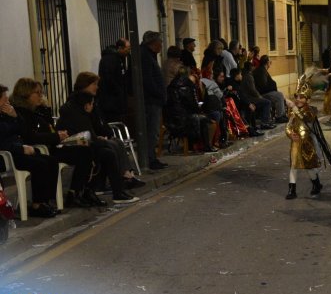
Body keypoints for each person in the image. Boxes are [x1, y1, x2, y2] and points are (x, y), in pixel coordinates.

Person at [10, 77, 100, 208]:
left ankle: (78, 191)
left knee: (89, 148)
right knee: (82, 153)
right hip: (42, 148)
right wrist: (56, 137)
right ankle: (60, 197)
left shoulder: (36, 111)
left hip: (52, 145)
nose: (41, 96)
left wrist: (45, 108)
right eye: (38, 93)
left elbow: (49, 127)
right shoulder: (22, 113)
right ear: (26, 94)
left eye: (41, 93)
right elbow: (31, 136)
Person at [57, 90, 139, 204]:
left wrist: (98, 140)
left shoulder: (77, 113)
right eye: (92, 104)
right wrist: (102, 141)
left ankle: (96, 190)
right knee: (107, 153)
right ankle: (114, 192)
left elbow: (89, 135)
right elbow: (87, 136)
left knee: (106, 151)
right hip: (73, 149)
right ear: (86, 105)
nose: (93, 107)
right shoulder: (79, 116)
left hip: (81, 146)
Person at [0, 84, 59, 217]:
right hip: (8, 156)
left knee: (51, 160)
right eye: (4, 98)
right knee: (40, 164)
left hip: (18, 151)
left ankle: (46, 200)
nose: (7, 101)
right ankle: (37, 205)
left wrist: (15, 116)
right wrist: (20, 148)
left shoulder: (7, 114)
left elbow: (23, 131)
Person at [285, 71, 331, 200]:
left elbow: (306, 119)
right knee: (293, 166)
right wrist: (290, 134)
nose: (298, 100)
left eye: (302, 97)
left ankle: (316, 184)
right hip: (295, 144)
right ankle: (292, 189)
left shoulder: (311, 110)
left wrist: (295, 109)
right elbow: (288, 125)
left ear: (308, 99)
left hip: (308, 144)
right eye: (297, 97)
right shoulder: (292, 111)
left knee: (309, 169)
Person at [165, 66, 217, 152]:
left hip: (171, 119)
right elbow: (193, 105)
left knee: (201, 118)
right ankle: (207, 146)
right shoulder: (188, 86)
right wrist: (199, 109)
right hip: (183, 119)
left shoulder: (171, 86)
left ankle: (198, 146)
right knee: (206, 120)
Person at [140, 31, 168, 170]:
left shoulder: (149, 55)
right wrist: (159, 94)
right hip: (151, 101)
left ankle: (152, 157)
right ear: (153, 43)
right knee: (152, 131)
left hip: (154, 100)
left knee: (153, 130)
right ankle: (150, 159)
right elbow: (148, 80)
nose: (161, 45)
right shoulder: (145, 56)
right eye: (160, 42)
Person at [97, 38, 131, 123]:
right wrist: (119, 91)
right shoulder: (110, 59)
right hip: (111, 102)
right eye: (128, 48)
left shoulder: (118, 58)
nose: (129, 51)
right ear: (120, 48)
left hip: (114, 101)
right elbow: (109, 79)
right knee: (113, 123)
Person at [240, 61, 275, 130]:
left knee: (264, 101)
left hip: (247, 97)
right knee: (267, 102)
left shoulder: (244, 75)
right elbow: (252, 90)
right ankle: (265, 123)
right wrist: (259, 96)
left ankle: (265, 121)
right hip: (250, 98)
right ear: (251, 67)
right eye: (253, 66)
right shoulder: (249, 76)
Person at [253, 55, 288, 123]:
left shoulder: (262, 70)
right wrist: (273, 88)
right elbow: (263, 86)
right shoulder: (261, 71)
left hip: (265, 92)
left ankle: (282, 115)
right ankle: (279, 117)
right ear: (267, 62)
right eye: (270, 62)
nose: (270, 64)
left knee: (280, 95)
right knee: (279, 95)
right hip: (262, 94)